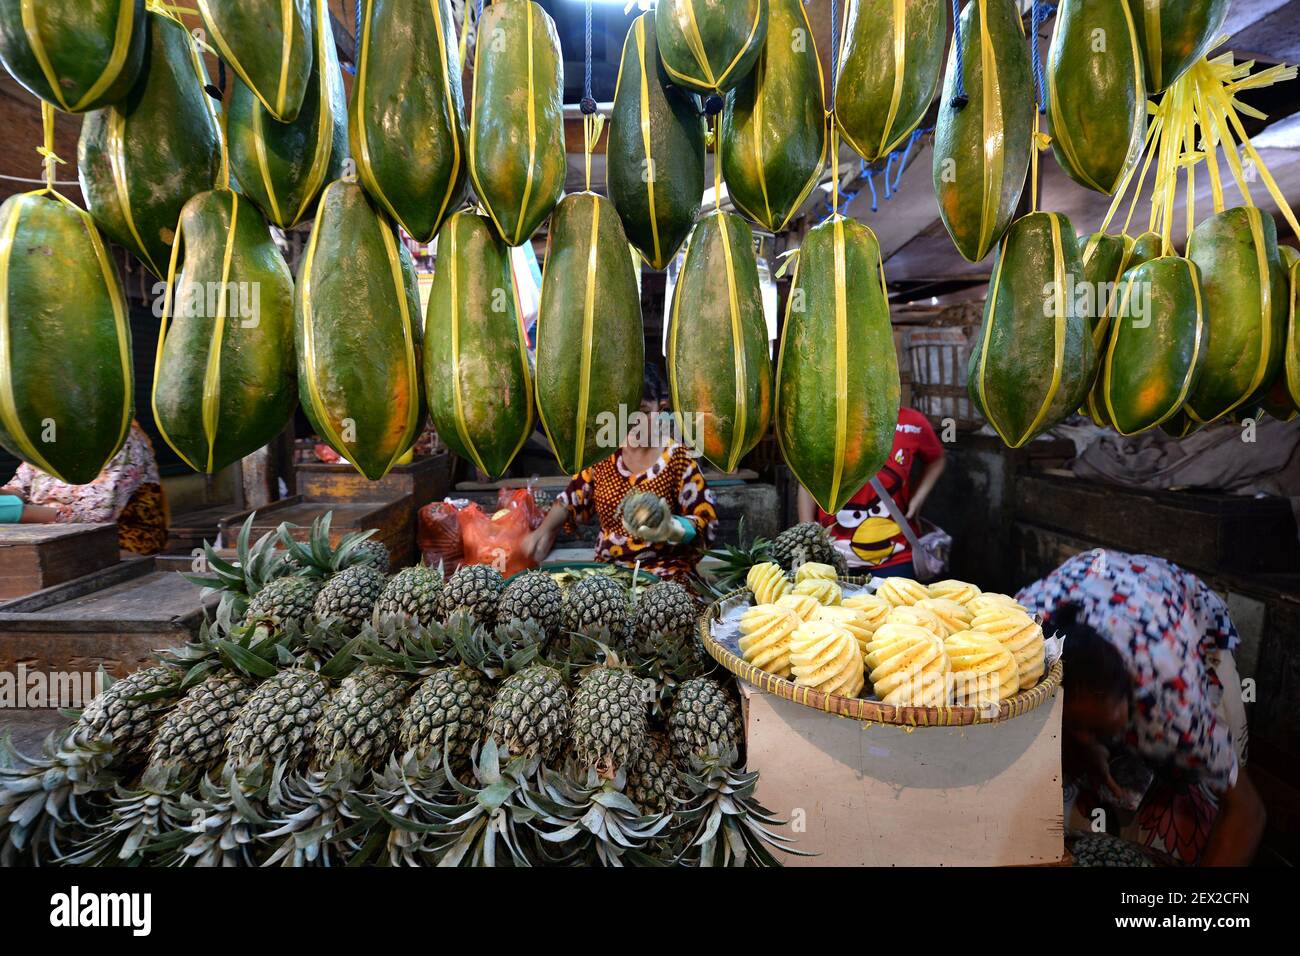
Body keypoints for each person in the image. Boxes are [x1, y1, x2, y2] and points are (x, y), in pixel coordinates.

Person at [1018, 549, 1266, 866]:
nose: (1082, 737)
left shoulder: (1175, 703)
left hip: (1185, 614)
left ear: (1131, 698)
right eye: (1070, 726)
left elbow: (1248, 812)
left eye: (1093, 729)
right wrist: (1082, 747)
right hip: (1101, 588)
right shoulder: (1020, 643)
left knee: (1195, 798)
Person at [523, 371, 719, 582]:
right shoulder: (604, 455)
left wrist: (673, 528)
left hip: (666, 572)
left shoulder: (678, 458)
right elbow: (569, 501)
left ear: (661, 410)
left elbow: (704, 521)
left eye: (643, 412)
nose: (633, 421)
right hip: (610, 573)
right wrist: (539, 534)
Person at [796, 406, 945, 578]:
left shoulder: (913, 422)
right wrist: (807, 537)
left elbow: (936, 459)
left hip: (896, 558)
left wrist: (917, 498)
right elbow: (808, 477)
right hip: (830, 558)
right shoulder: (825, 418)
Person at [1, 421, 169, 555]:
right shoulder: (50, 432)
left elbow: (97, 516)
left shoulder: (119, 438)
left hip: (119, 546)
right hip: (46, 541)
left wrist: (21, 512)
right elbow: (19, 488)